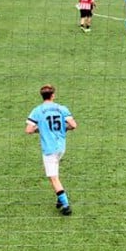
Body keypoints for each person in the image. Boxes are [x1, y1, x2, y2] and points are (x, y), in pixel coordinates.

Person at [25, 84, 77, 215]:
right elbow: (73, 125)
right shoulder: (61, 108)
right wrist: (62, 128)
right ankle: (59, 197)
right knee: (55, 174)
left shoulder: (37, 110)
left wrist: (41, 129)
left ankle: (65, 205)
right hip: (61, 147)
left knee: (53, 177)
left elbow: (29, 130)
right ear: (53, 95)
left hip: (49, 149)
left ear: (42, 96)